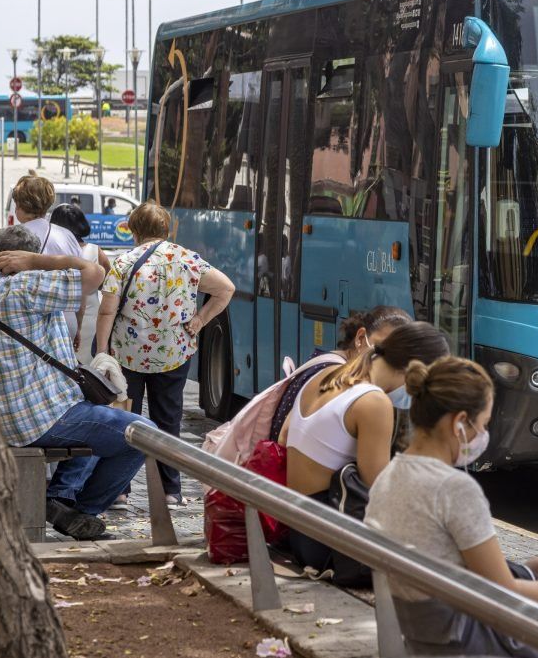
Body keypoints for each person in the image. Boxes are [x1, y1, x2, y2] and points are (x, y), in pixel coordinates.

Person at [366, 358, 538, 658]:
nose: (483, 436)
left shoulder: (390, 476)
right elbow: (501, 596)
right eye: (483, 424)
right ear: (460, 422)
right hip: (470, 641)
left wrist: (533, 568)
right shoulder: (454, 490)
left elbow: (466, 570)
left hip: (428, 634)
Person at [0, 225, 146, 540]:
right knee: (141, 435)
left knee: (94, 417)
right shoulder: (26, 285)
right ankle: (79, 512)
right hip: (37, 420)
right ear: (24, 258)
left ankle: (61, 498)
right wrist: (38, 262)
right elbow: (94, 273)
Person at [280, 321, 450, 578]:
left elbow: (285, 437)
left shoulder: (326, 375)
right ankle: (523, 579)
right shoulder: (373, 401)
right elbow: (380, 490)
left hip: (302, 532)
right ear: (415, 369)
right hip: (331, 545)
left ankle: (523, 574)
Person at [97, 201, 236, 506]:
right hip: (173, 352)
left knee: (124, 418)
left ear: (134, 230)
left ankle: (119, 488)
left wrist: (102, 349)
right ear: (167, 229)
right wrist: (199, 320)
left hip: (127, 354)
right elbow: (226, 289)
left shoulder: (123, 262)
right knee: (168, 420)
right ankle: (170, 489)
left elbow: (107, 309)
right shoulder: (187, 259)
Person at [268, 306, 413, 444]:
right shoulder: (338, 379)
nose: (390, 364)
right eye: (381, 350)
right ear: (361, 338)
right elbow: (286, 436)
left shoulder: (330, 366)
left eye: (400, 358)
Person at [12, 176, 84, 339]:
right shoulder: (67, 236)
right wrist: (77, 325)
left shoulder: (11, 237)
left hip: (29, 324)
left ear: (19, 205)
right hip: (66, 321)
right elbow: (80, 287)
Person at [50, 203, 113, 357]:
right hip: (91, 319)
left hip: (58, 319)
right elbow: (108, 285)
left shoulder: (52, 252)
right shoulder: (94, 250)